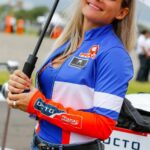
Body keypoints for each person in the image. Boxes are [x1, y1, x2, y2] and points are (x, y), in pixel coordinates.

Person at [7, 0, 136, 150]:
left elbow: (103, 126)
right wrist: (22, 91)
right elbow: (56, 97)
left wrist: (39, 105)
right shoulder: (67, 42)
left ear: (122, 12)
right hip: (38, 143)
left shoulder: (113, 54)